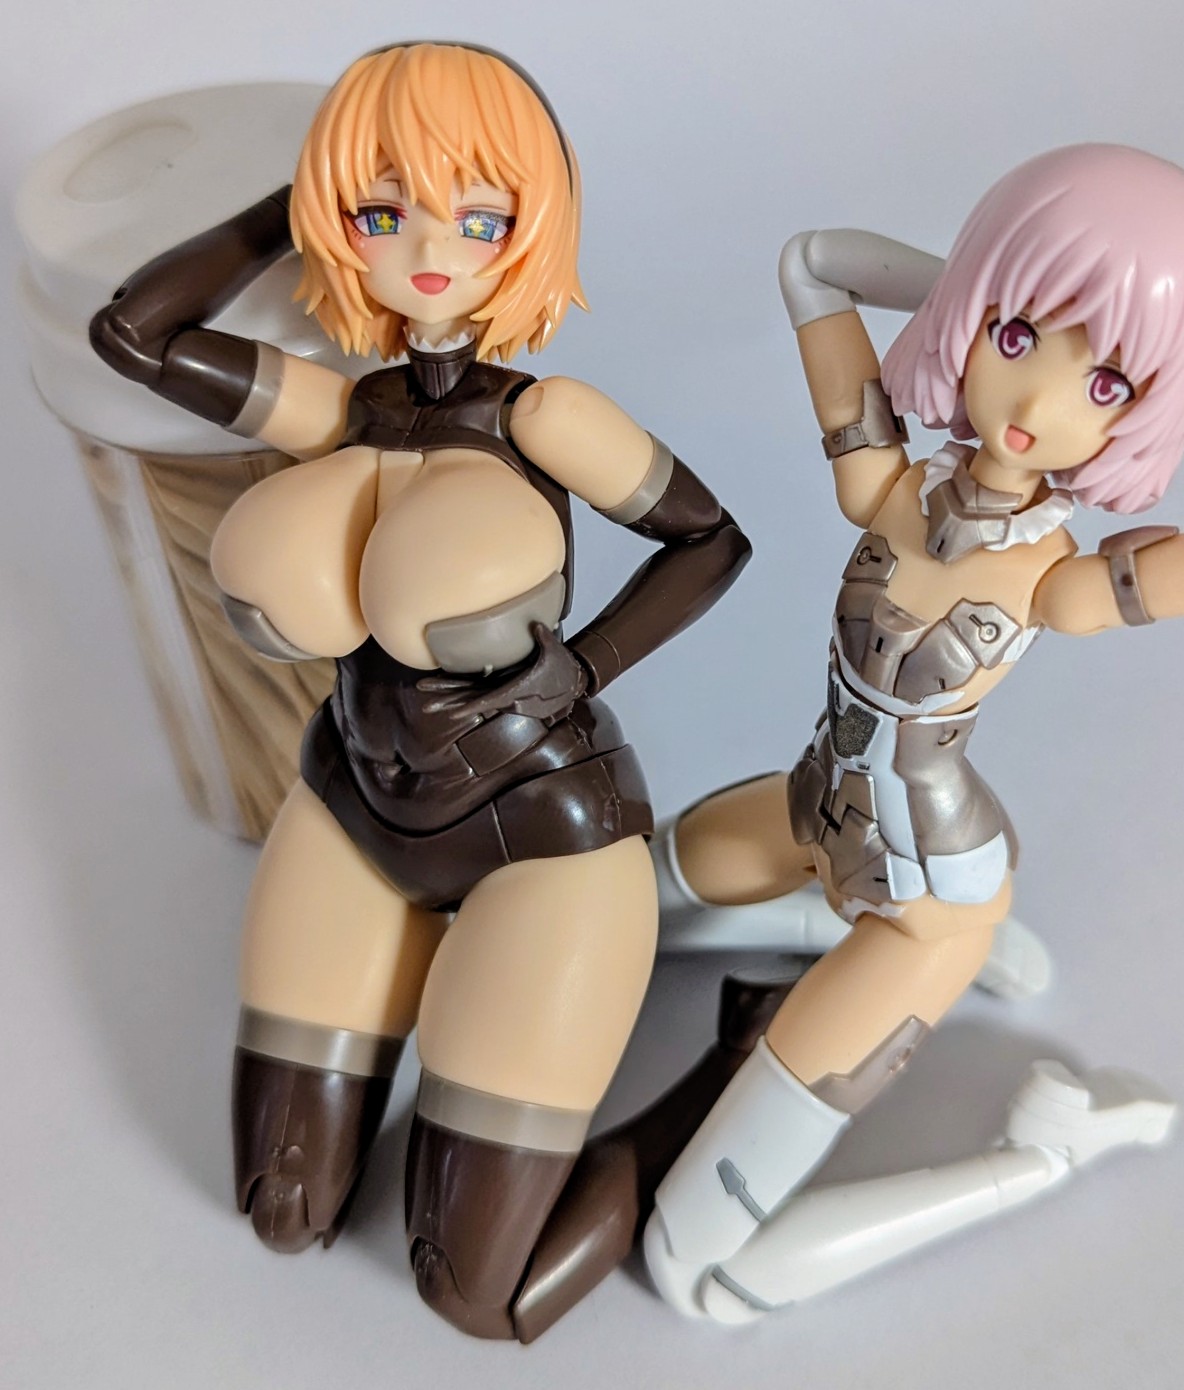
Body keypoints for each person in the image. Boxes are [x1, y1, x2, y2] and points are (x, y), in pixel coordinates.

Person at [90, 42, 750, 1341]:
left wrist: (586, 665)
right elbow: (135, 336)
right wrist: (296, 207)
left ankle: (723, 1074)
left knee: (473, 1289)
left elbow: (709, 540)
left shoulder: (548, 418)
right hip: (352, 807)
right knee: (283, 1208)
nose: (434, 249)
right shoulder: (339, 411)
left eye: (480, 214)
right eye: (387, 212)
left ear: (532, 227)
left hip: (543, 834)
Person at [642, 144, 1184, 1321]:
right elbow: (813, 263)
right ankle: (826, 919)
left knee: (696, 1270)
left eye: (1106, 386)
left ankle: (1043, 1154)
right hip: (807, 808)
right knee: (605, 892)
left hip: (927, 895)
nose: (1033, 407)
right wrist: (984, 283)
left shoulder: (1057, 583)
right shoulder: (889, 489)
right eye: (1019, 340)